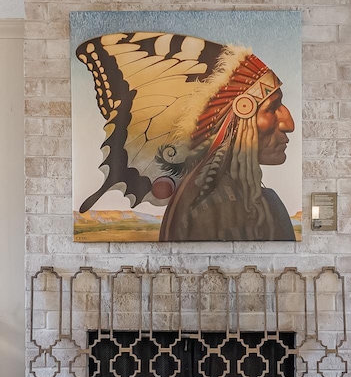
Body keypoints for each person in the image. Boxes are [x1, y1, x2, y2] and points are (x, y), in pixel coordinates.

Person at [75, 32, 297, 241]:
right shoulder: (259, 208)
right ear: (240, 113)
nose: (289, 124)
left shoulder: (191, 202)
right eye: (272, 107)